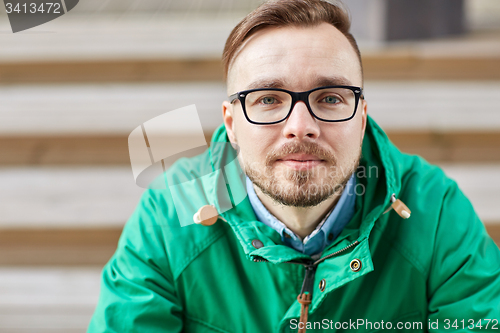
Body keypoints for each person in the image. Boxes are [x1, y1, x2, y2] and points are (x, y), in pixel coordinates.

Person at [87, 0, 500, 332]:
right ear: (231, 124)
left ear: (360, 118)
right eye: (268, 99)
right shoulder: (167, 216)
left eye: (330, 98)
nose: (300, 127)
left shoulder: (436, 212)